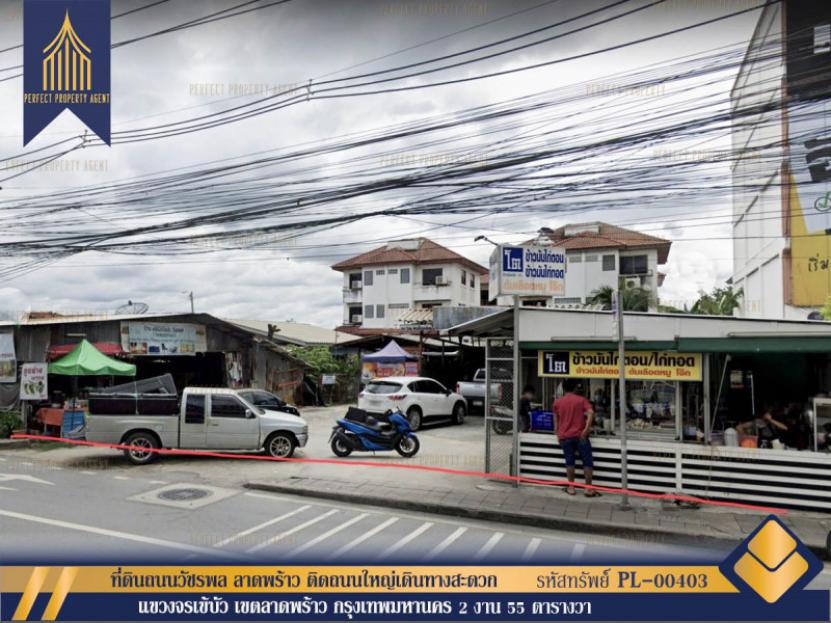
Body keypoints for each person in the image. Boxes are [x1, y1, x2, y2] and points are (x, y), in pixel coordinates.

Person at [553, 379, 598, 497]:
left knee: (569, 461)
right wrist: (586, 429)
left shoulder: (557, 402)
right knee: (587, 461)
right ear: (575, 388)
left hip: (565, 436)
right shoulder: (581, 400)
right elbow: (591, 413)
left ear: (563, 389)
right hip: (580, 436)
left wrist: (558, 434)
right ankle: (588, 489)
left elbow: (556, 422)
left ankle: (571, 488)